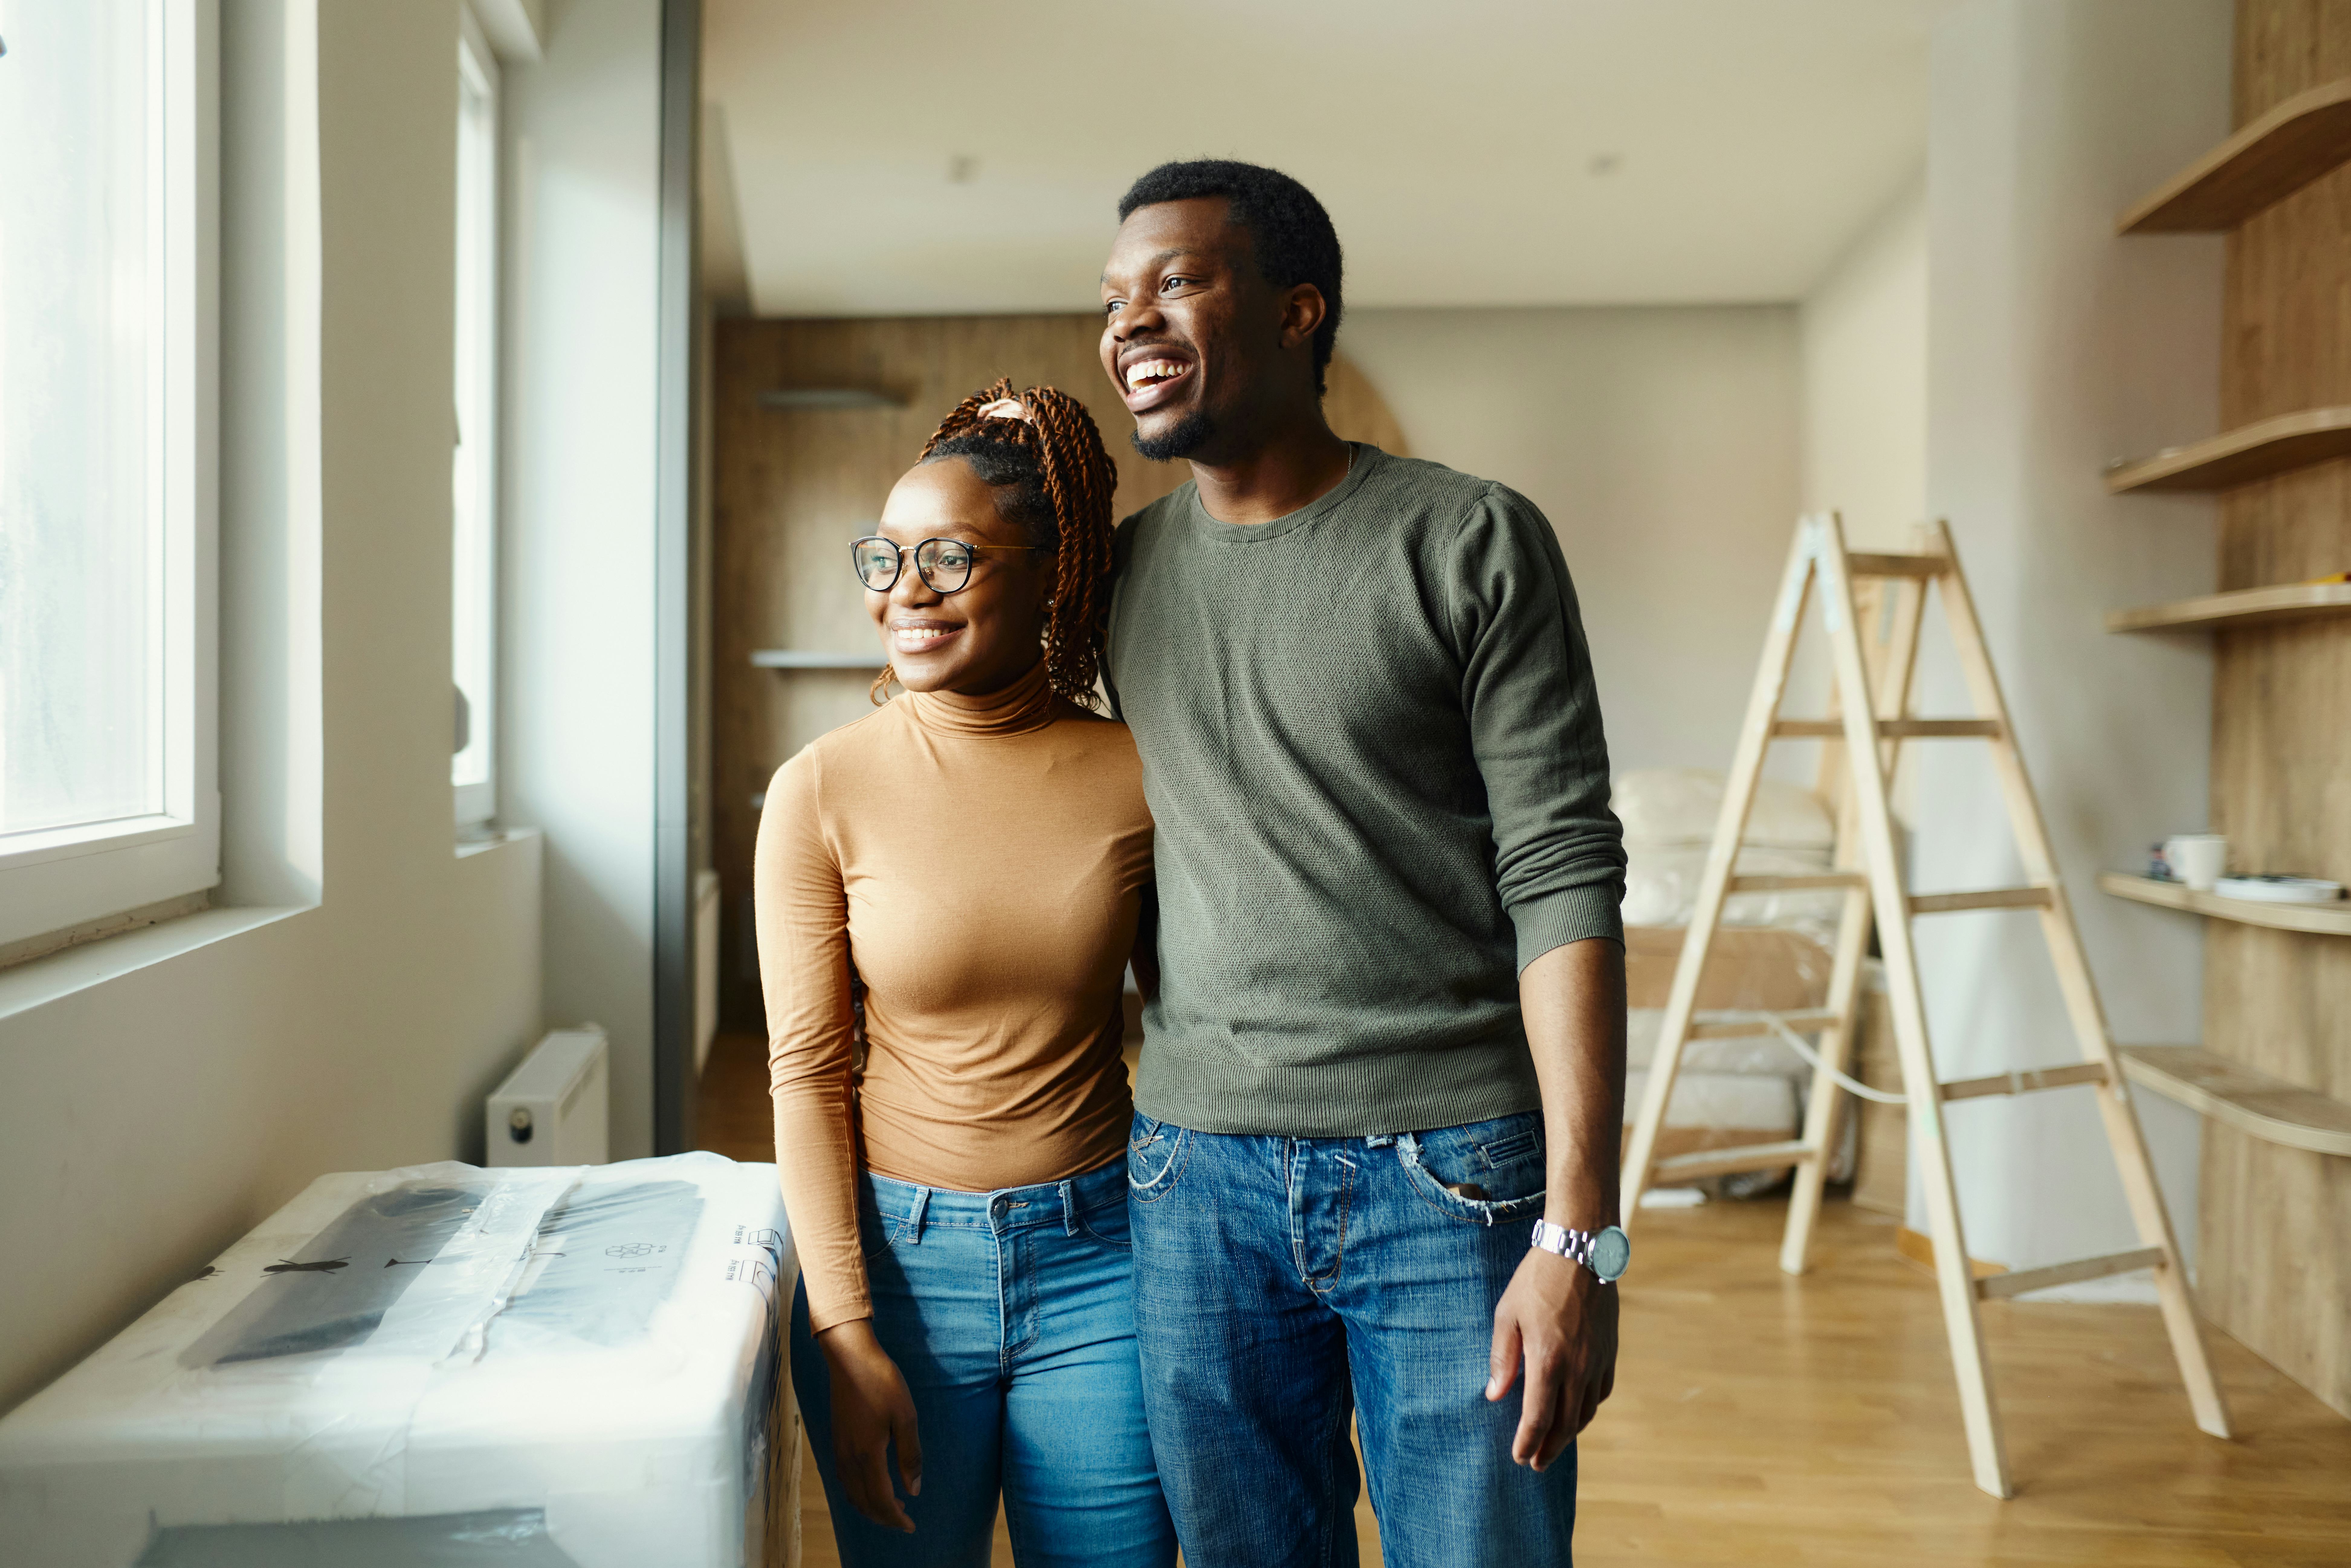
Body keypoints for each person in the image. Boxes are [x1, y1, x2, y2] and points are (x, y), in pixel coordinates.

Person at [1098, 160, 1631, 1566]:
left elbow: (1565, 869)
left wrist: (1580, 1235)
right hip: (1192, 1178)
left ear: (1297, 311)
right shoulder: (1110, 582)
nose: (1128, 324)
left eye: (1175, 282)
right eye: (1112, 298)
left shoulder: (1470, 538)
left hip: (1448, 1177)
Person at [755, 380, 1176, 1567]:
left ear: (1051, 571)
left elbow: (1199, 1020)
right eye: (884, 556)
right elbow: (805, 1070)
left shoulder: (1134, 770)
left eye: (948, 555)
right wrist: (844, 1327)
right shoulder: (822, 787)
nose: (905, 589)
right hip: (896, 1269)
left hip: (1106, 1260)